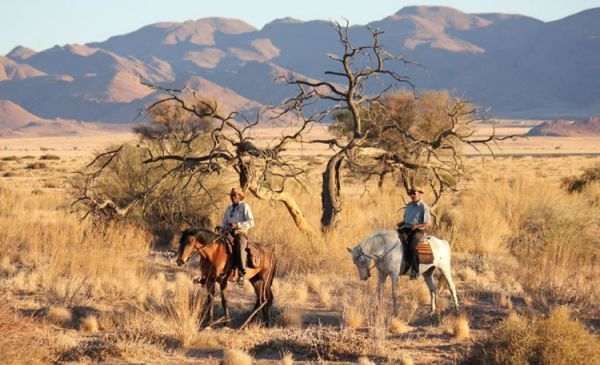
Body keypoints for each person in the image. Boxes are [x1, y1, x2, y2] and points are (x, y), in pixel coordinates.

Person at [219, 187, 255, 286]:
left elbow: (251, 222)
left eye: (235, 195)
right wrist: (221, 228)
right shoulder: (228, 208)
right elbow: (225, 223)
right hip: (228, 233)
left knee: (240, 246)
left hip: (240, 233)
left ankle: (241, 274)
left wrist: (238, 225)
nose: (233, 197)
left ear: (240, 196)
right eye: (232, 195)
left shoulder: (244, 206)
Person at [397, 187, 432, 280]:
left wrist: (417, 226)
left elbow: (428, 223)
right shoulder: (409, 205)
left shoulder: (423, 207)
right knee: (394, 240)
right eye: (410, 193)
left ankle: (415, 271)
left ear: (419, 194)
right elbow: (406, 220)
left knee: (412, 246)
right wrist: (402, 223)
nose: (412, 195)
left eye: (414, 193)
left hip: (418, 230)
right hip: (407, 228)